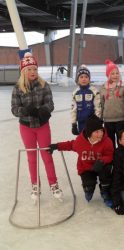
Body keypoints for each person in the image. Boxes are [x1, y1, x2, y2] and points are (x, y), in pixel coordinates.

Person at [11, 52, 63, 202]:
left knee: (47, 155)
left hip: (42, 126)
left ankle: (53, 184)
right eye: (29, 69)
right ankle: (35, 185)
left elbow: (50, 103)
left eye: (35, 69)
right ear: (23, 71)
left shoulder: (44, 85)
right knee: (31, 157)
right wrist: (25, 110)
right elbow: (14, 109)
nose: (33, 72)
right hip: (26, 127)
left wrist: (43, 111)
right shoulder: (18, 88)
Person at [48, 115, 114, 207]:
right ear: (90, 132)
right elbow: (71, 145)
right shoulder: (80, 141)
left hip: (101, 167)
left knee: (107, 172)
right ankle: (88, 188)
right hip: (86, 167)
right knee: (89, 186)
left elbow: (110, 155)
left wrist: (102, 161)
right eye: (97, 132)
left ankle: (105, 192)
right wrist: (56, 146)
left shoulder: (107, 141)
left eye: (101, 131)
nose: (100, 134)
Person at [100, 59, 124, 148]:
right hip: (108, 120)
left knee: (121, 142)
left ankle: (121, 159)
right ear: (108, 75)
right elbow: (101, 104)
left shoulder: (123, 87)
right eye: (112, 73)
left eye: (117, 73)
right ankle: (112, 160)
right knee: (110, 142)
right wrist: (100, 119)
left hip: (120, 119)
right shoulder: (103, 89)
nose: (115, 75)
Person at [71, 65, 101, 135]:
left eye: (86, 77)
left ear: (89, 79)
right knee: (83, 141)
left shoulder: (94, 91)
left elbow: (98, 107)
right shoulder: (75, 92)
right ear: (78, 79)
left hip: (92, 122)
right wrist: (74, 124)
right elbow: (73, 109)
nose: (84, 79)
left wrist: (97, 120)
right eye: (81, 77)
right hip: (81, 122)